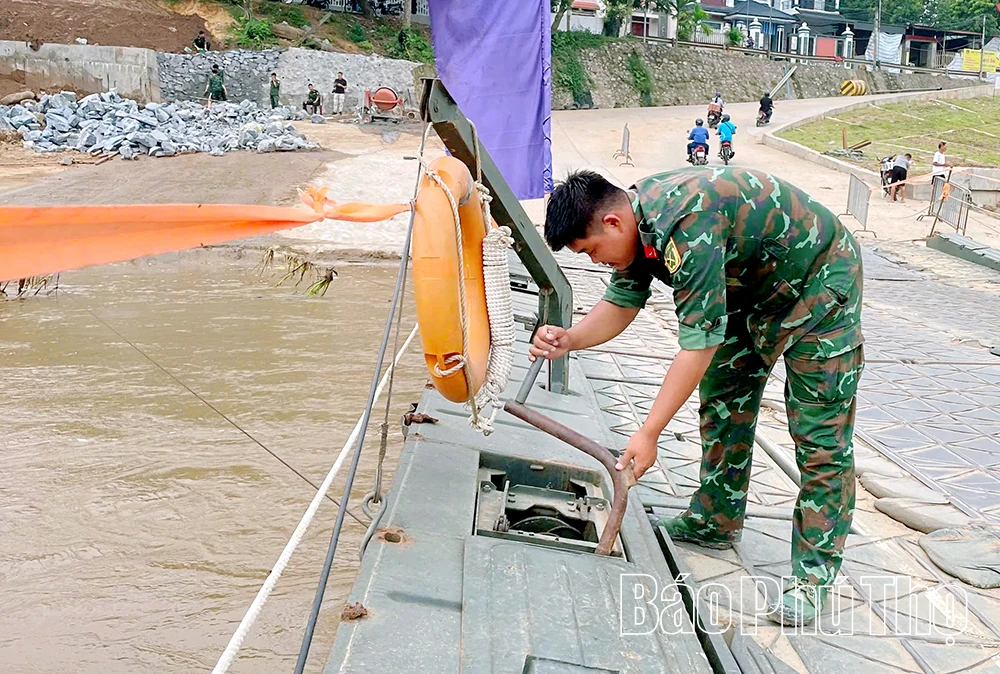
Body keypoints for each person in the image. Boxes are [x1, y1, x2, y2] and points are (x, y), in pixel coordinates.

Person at [532, 167, 864, 626]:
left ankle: (813, 575)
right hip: (750, 295)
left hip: (820, 286)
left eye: (591, 252)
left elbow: (698, 345)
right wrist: (570, 338)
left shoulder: (689, 223)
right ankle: (715, 520)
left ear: (612, 223)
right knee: (724, 400)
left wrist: (648, 433)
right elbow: (623, 301)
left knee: (818, 434)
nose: (595, 262)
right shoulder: (635, 224)